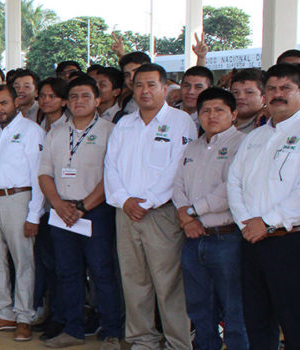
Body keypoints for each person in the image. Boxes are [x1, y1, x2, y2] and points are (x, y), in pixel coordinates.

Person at [228, 63, 300, 350]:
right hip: (251, 239)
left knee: (299, 322)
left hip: (293, 242)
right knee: (257, 319)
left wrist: (267, 221)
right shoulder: (255, 137)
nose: (278, 94)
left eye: (286, 88)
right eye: (272, 88)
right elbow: (234, 181)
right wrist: (247, 221)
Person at [104, 63, 195, 350]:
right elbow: (111, 166)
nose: (144, 91)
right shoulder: (125, 124)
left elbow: (178, 167)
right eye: (139, 85)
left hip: (161, 213)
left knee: (169, 283)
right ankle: (142, 340)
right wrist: (124, 200)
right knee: (134, 281)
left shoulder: (181, 121)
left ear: (166, 88)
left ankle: (178, 343)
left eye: (151, 84)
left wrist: (150, 200)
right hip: (126, 212)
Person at [37, 76, 123, 349]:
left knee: (102, 273)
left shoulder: (112, 131)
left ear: (98, 101)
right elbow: (44, 174)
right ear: (66, 102)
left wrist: (84, 206)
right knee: (67, 273)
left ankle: (111, 332)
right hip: (61, 212)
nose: (79, 101)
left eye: (86, 96)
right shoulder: (56, 133)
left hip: (95, 213)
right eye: (73, 96)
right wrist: (60, 205)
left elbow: (112, 176)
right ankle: (72, 329)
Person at [170, 87, 249, 350]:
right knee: (200, 308)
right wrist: (185, 216)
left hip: (226, 238)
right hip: (193, 239)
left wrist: (193, 212)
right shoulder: (193, 147)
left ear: (233, 114)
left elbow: (231, 189)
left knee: (234, 307)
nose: (211, 116)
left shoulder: (243, 144)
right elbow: (178, 185)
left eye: (219, 110)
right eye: (205, 110)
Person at [0, 84, 45, 342]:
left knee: (23, 261)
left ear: (16, 103)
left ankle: (24, 316)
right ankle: (3, 312)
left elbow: (40, 176)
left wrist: (34, 214)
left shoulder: (31, 131)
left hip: (18, 199)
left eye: (4, 103)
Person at [229, 69, 266, 133]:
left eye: (249, 92)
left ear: (264, 98)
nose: (240, 97)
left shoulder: (266, 123)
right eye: (235, 92)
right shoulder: (221, 122)